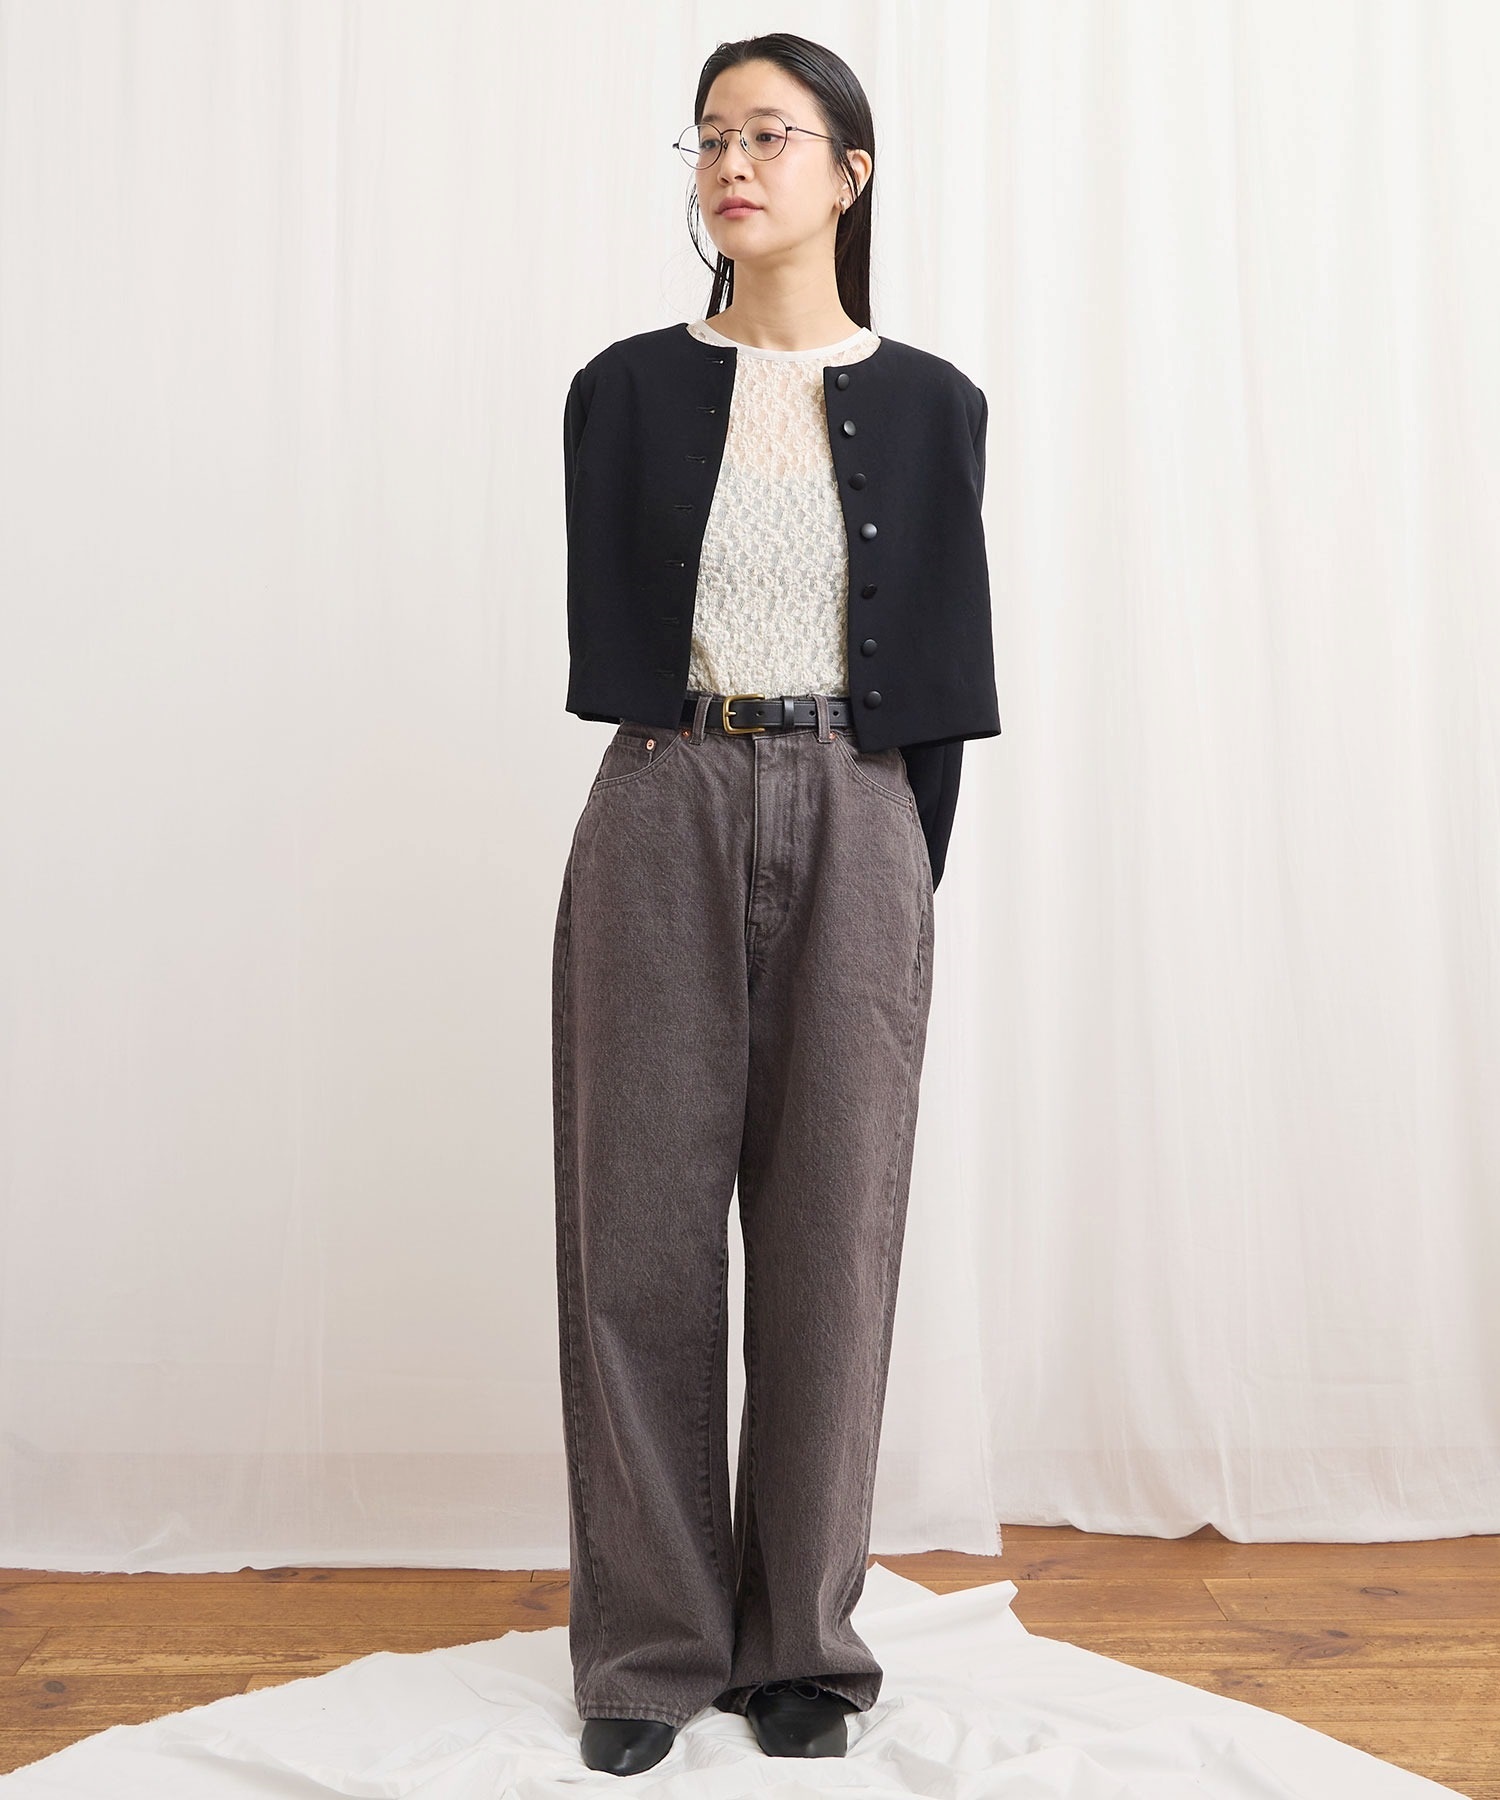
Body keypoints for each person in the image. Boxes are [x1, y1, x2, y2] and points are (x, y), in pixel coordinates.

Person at [552, 31, 1000, 1777]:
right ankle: (650, 1645)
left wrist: (886, 868)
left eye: (770, 135)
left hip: (865, 801)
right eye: (710, 139)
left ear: (848, 173)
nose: (731, 166)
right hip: (665, 793)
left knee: (832, 1236)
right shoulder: (621, 390)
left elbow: (943, 673)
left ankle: (802, 1639)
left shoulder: (938, 404)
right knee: (637, 1237)